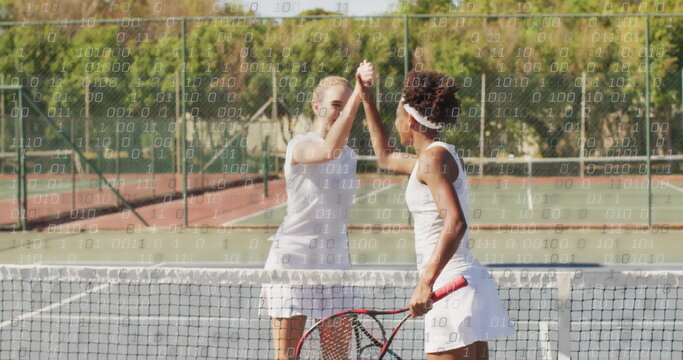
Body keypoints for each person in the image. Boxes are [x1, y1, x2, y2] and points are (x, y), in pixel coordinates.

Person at [361, 69, 515, 359]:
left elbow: (455, 223)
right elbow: (385, 156)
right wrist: (368, 100)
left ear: (408, 120)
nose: (396, 125)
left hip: (450, 288)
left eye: (397, 118)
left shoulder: (433, 157)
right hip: (460, 286)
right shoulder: (430, 158)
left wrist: (425, 282)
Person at [260, 61, 374, 360]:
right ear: (316, 106)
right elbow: (328, 151)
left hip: (335, 269)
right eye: (336, 104)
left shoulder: (350, 156)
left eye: (347, 104)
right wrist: (358, 93)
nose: (341, 110)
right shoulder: (300, 145)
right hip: (292, 264)